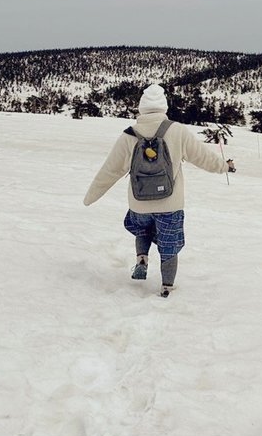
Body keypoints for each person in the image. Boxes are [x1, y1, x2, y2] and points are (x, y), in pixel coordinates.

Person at [83, 82, 235, 296]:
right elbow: (203, 158)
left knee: (142, 229)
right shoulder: (177, 131)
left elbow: (110, 171)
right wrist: (224, 166)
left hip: (139, 203)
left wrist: (91, 196)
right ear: (164, 108)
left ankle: (142, 259)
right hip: (170, 204)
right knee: (169, 244)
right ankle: (166, 287)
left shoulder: (128, 135)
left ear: (141, 109)